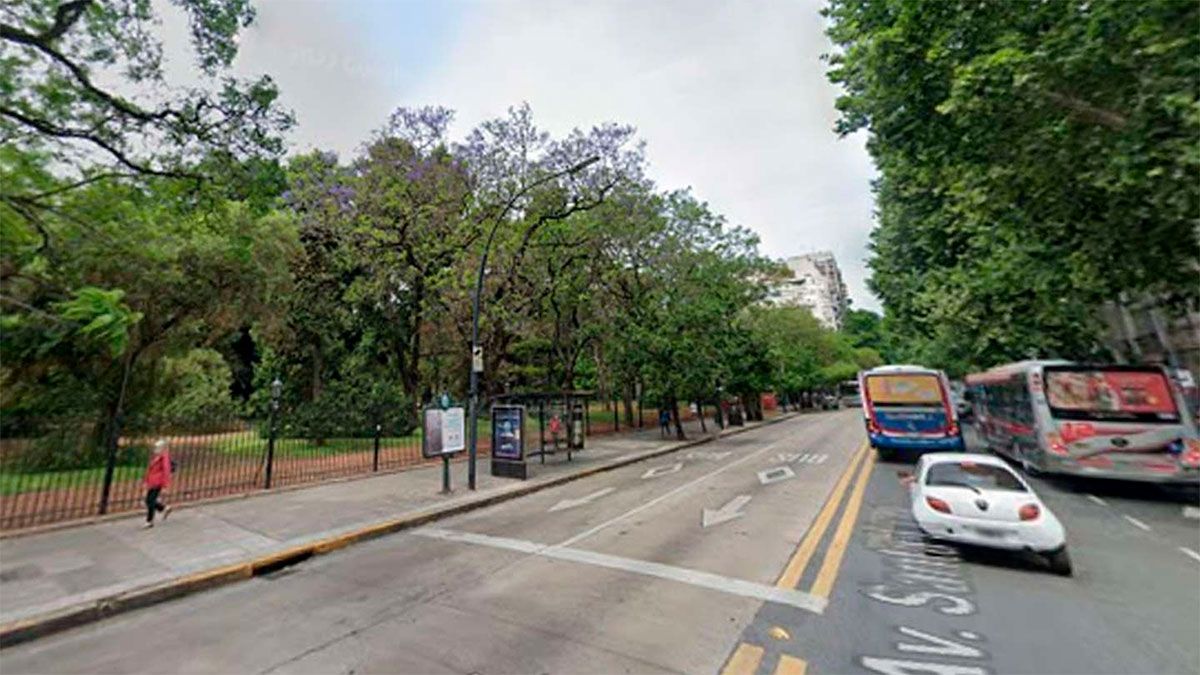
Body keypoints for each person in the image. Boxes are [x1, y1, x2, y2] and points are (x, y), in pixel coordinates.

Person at [143, 439, 174, 528]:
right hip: (152, 482)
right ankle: (164, 508)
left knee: (150, 500)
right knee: (148, 500)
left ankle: (149, 521)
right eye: (156, 447)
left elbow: (166, 471)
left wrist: (165, 485)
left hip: (158, 482)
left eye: (158, 448)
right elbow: (150, 470)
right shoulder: (156, 457)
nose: (155, 449)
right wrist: (146, 481)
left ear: (163, 448)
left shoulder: (164, 458)